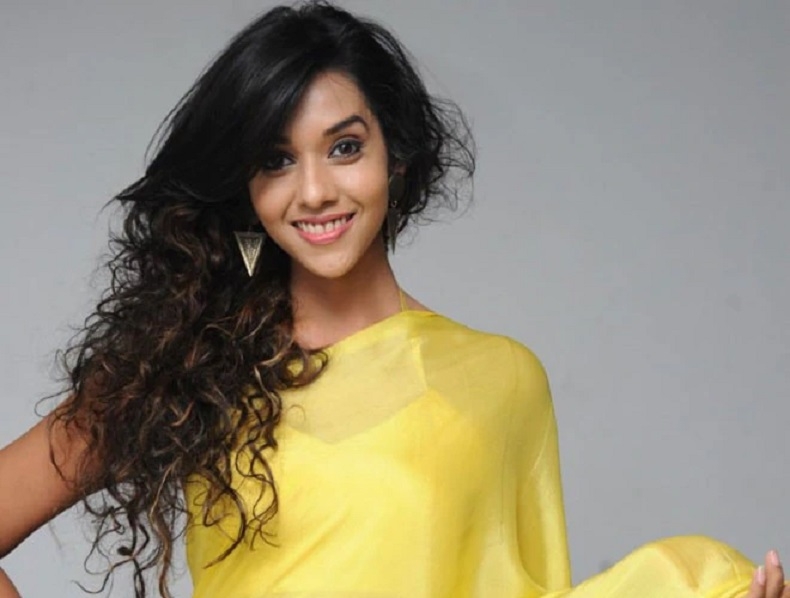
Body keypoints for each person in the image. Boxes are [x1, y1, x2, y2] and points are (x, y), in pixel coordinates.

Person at [0, 2, 786, 598]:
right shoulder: (187, 370)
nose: (314, 191)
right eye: (276, 160)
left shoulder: (502, 379)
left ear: (395, 158)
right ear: (246, 189)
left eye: (344, 147)